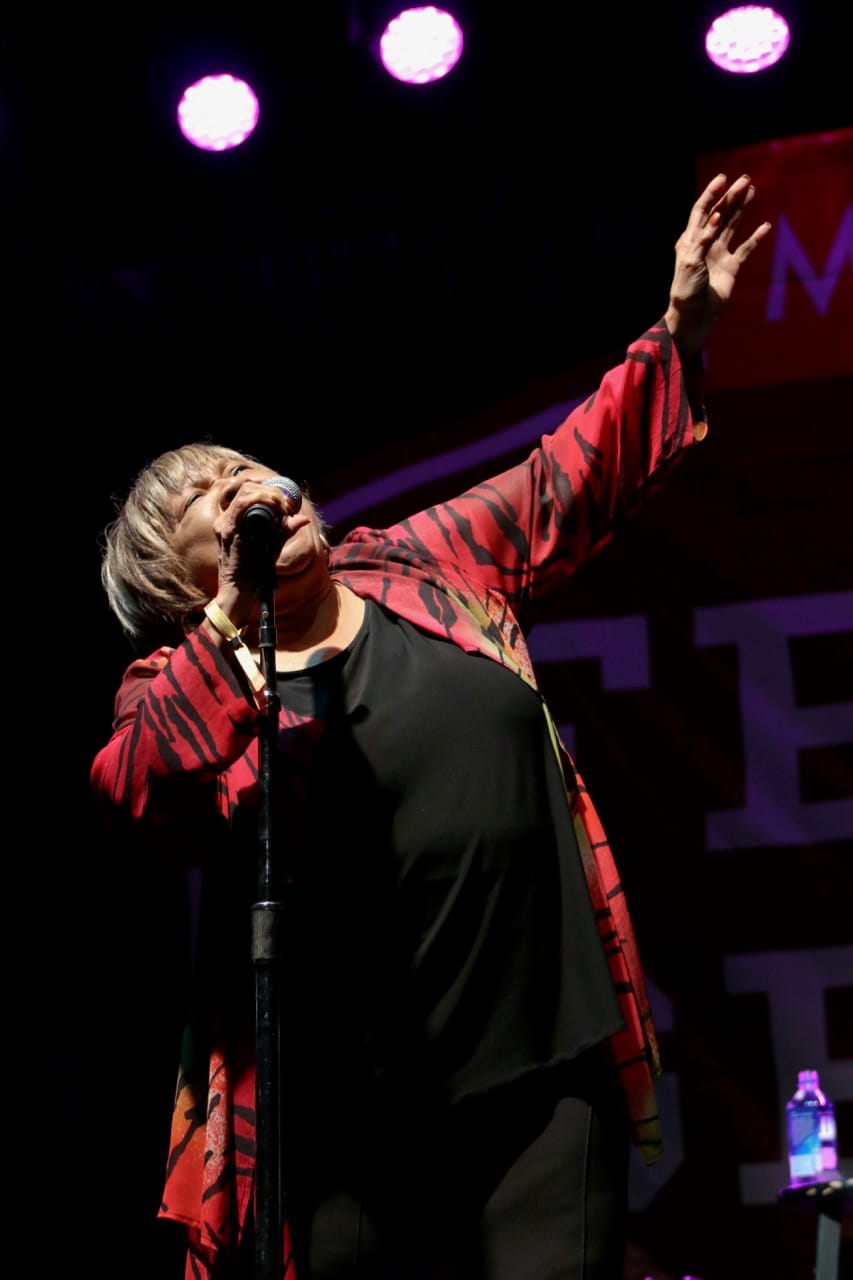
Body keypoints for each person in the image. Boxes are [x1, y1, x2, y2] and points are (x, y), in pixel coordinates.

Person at [90, 172, 771, 1280]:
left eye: (240, 471)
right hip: (346, 1127)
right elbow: (136, 782)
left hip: (544, 1066)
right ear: (186, 585)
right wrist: (230, 623)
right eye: (204, 506)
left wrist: (680, 325)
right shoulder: (189, 680)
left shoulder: (417, 565)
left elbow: (568, 474)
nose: (241, 488)